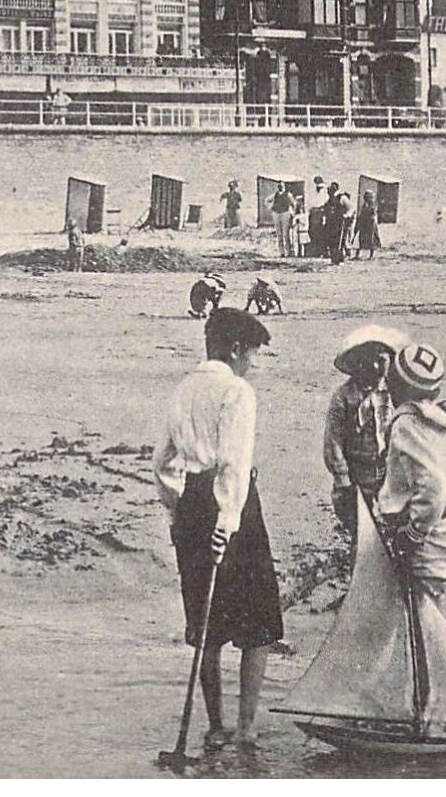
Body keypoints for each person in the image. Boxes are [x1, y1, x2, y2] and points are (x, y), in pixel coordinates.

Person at [154, 308, 281, 751]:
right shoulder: (236, 391)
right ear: (235, 349)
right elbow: (234, 461)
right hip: (233, 508)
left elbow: (163, 461)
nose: (251, 365)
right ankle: (245, 729)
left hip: (190, 504)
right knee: (259, 621)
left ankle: (215, 725)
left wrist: (177, 512)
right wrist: (227, 521)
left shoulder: (183, 388)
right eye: (251, 355)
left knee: (206, 620)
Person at [379, 342, 446, 624]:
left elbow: (434, 487)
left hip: (429, 542)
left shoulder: (407, 423)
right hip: (442, 536)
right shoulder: (436, 419)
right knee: (434, 632)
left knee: (434, 639)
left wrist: (413, 534)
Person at [323, 324, 410, 542]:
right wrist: (342, 477)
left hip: (389, 470)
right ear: (355, 364)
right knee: (360, 525)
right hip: (356, 472)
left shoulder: (395, 393)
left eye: (380, 360)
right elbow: (333, 440)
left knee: (394, 521)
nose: (374, 366)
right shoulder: (344, 396)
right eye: (366, 360)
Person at [321, 183, 345, 264]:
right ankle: (333, 258)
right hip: (330, 222)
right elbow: (325, 210)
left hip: (338, 222)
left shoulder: (341, 197)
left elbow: (351, 207)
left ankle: (338, 259)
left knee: (338, 240)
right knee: (330, 240)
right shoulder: (329, 200)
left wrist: (346, 215)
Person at [354, 191, 381, 259]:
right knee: (361, 238)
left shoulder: (373, 206)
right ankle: (358, 254)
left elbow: (373, 216)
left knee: (371, 239)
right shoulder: (364, 205)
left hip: (370, 224)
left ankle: (371, 255)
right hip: (364, 224)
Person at [269, 187, 295, 258]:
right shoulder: (275, 195)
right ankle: (281, 252)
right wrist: (271, 207)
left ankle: (288, 251)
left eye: (282, 184)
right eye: (279, 185)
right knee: (279, 234)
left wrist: (292, 212)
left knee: (286, 234)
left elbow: (294, 203)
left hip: (285, 213)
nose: (280, 186)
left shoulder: (288, 194)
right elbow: (267, 200)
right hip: (276, 214)